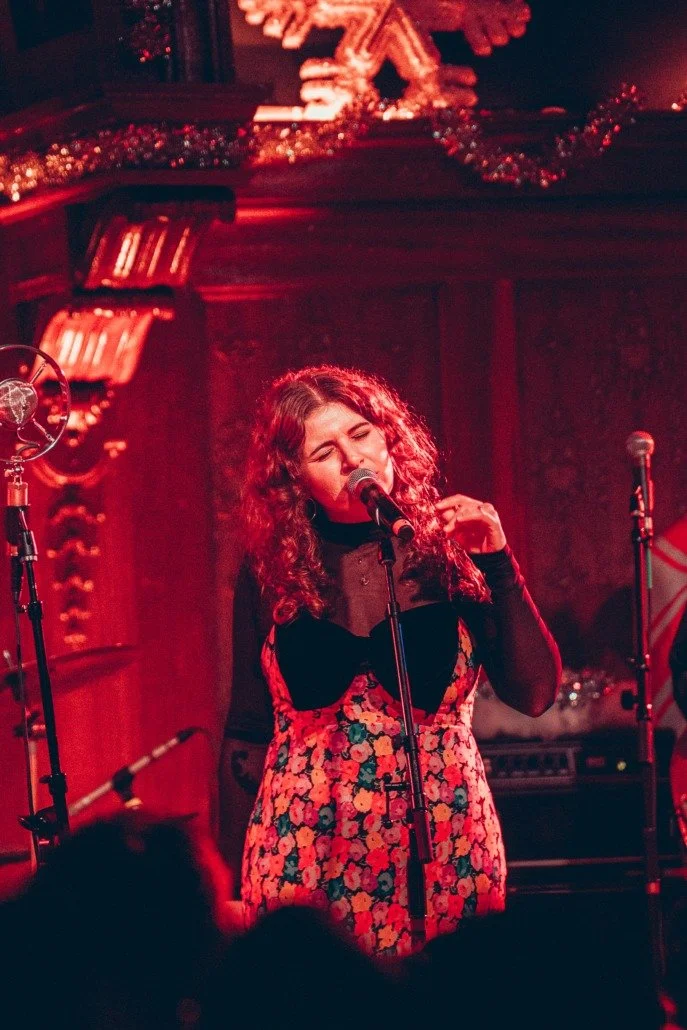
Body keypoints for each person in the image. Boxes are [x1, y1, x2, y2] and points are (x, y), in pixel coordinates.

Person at [219, 364, 561, 956]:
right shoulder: (270, 573)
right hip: (306, 845)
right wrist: (227, 885)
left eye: (361, 433)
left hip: (444, 840)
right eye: (325, 450)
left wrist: (500, 563)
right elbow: (245, 734)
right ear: (295, 478)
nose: (353, 459)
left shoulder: (451, 552)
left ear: (389, 436)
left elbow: (533, 694)